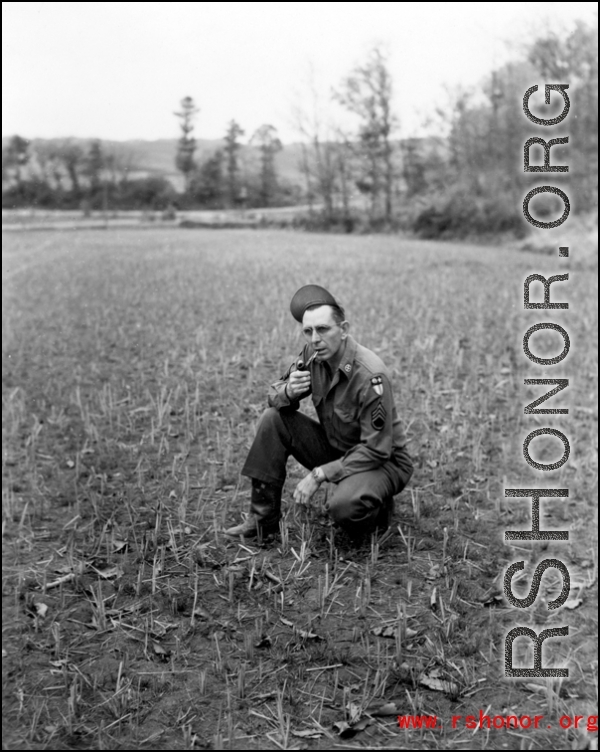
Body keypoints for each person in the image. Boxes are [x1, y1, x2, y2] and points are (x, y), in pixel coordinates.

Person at [224, 284, 414, 541]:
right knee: (273, 419)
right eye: (308, 331)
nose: (315, 338)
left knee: (344, 508)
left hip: (382, 460)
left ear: (343, 330)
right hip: (339, 447)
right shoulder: (312, 355)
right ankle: (263, 520)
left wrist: (319, 474)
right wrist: (289, 392)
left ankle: (377, 507)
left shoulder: (370, 375)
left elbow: (377, 449)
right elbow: (274, 394)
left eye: (323, 329)